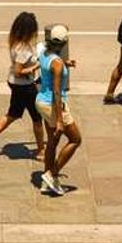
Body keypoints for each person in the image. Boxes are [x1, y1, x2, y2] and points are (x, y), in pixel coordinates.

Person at [0, 12, 45, 160]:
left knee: (13, 114)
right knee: (37, 118)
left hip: (16, 84)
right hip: (25, 86)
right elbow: (19, 71)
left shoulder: (15, 42)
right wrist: (36, 66)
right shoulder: (24, 49)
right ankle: (41, 151)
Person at [35, 24, 80, 196]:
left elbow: (48, 66)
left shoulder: (44, 52)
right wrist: (60, 120)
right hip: (53, 104)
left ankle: (46, 183)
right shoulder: (57, 64)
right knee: (75, 139)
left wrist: (65, 63)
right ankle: (51, 174)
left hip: (41, 102)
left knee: (52, 142)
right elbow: (56, 92)